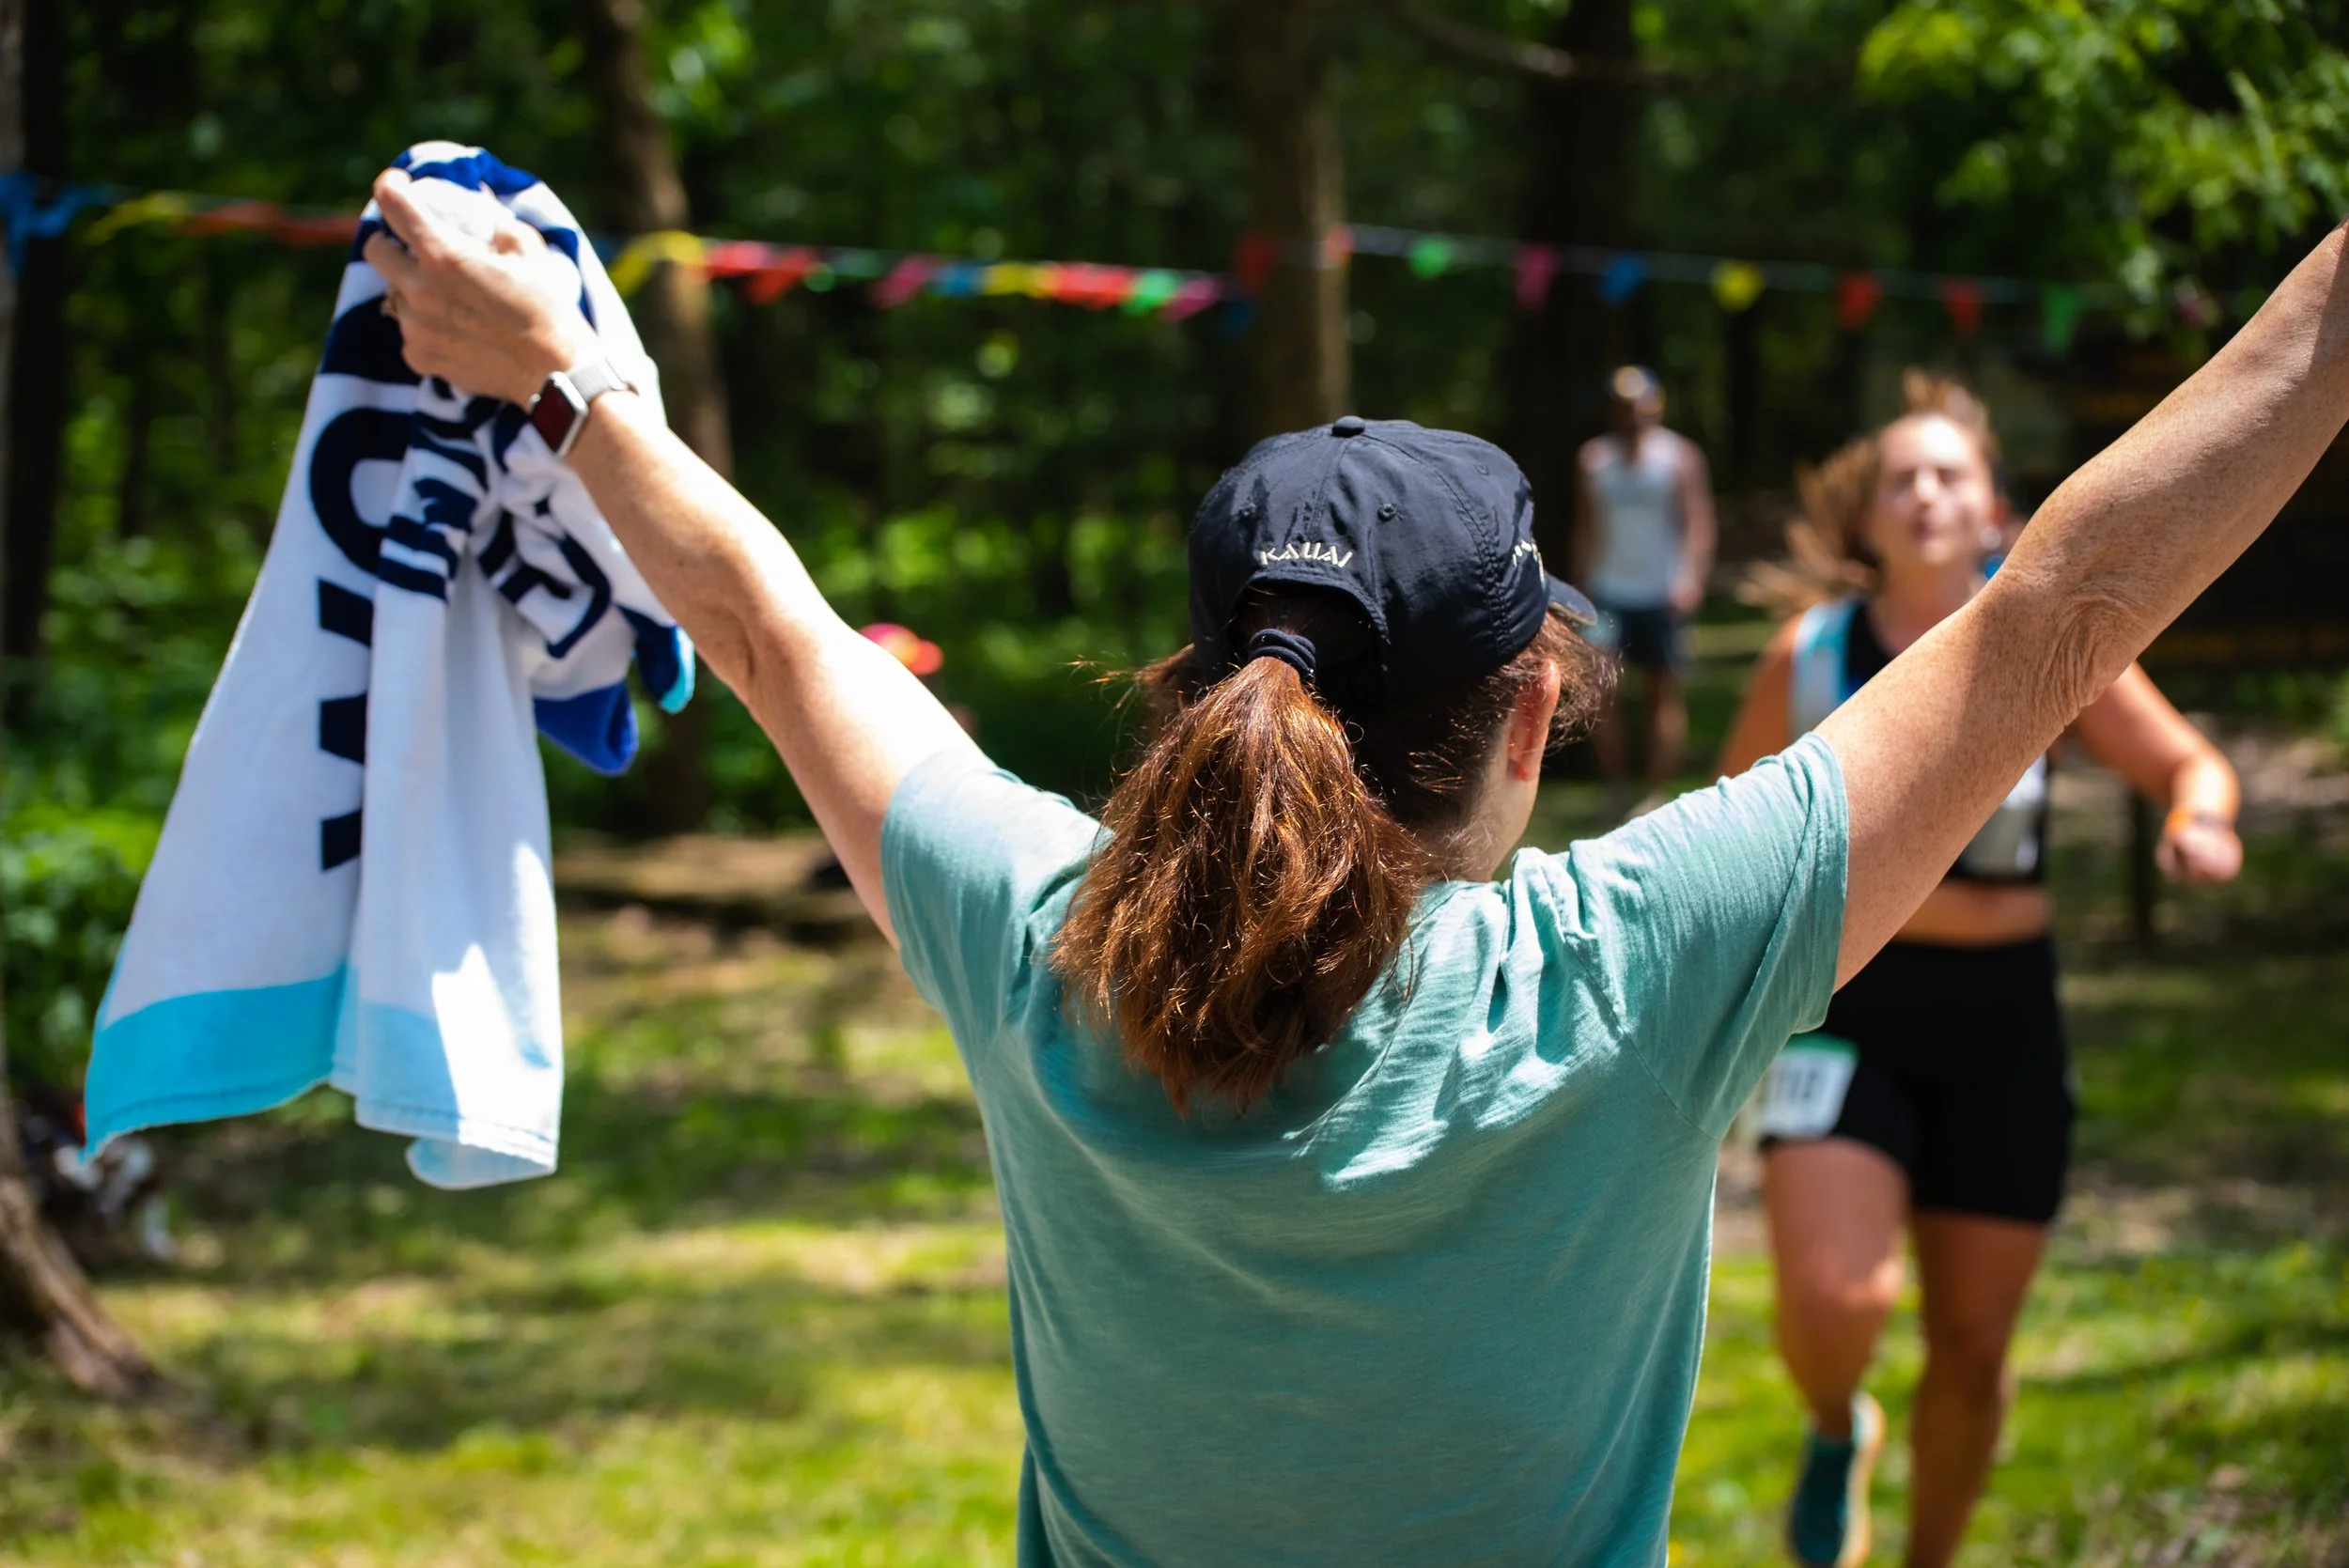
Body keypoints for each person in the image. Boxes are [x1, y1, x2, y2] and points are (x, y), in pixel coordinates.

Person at [366, 162, 2345, 1563]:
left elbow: (778, 633)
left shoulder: (1037, 941)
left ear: (1218, 690)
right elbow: (2057, 603)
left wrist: (561, 375)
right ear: (1523, 719)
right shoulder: (1635, 972)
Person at [1717, 373, 2245, 1568]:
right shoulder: (1808, 657)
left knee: (1968, 1344)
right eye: (1900, 475)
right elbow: (1724, 816)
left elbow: (2186, 763)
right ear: (1867, 520)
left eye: (1949, 473)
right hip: (1842, 1005)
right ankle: (1834, 1422)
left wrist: (2197, 818)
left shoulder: (2041, 642)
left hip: (2003, 1025)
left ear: (1994, 510)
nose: (1924, 493)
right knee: (1833, 1308)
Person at [1574, 365, 1718, 797]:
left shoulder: (1679, 457)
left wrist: (1691, 577)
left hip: (1661, 590)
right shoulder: (1594, 460)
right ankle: (1615, 789)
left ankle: (1656, 793)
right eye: (1622, 407)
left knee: (1662, 692)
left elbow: (1697, 523)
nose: (1631, 415)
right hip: (1608, 591)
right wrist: (1581, 588)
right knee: (1602, 694)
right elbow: (1586, 526)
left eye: (1638, 405)